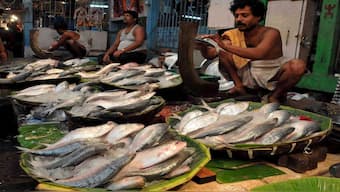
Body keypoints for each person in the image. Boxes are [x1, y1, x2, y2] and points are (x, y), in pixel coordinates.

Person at [200, 0, 306, 103]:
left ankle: (275, 96)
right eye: (237, 16)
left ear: (258, 17)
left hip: (270, 72)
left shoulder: (271, 33)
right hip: (246, 73)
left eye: (244, 15)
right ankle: (239, 87)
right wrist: (201, 45)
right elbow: (211, 54)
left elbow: (258, 53)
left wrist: (223, 45)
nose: (239, 19)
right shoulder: (232, 34)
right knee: (223, 51)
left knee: (298, 66)